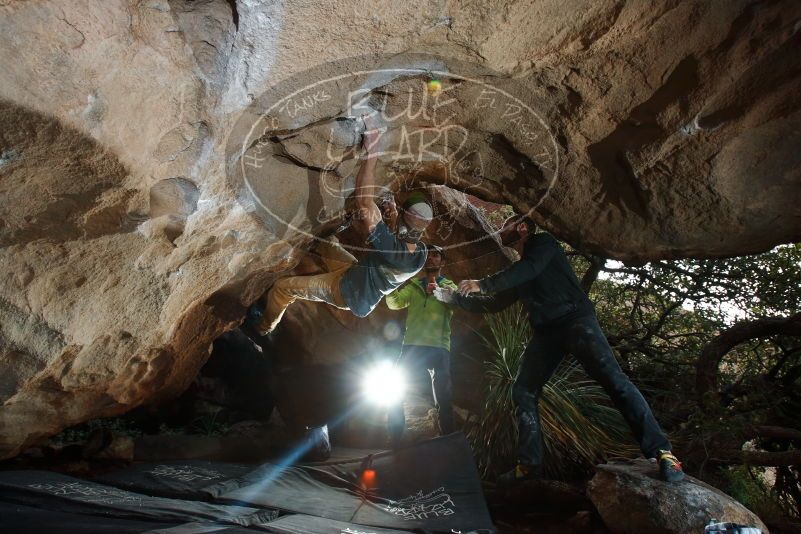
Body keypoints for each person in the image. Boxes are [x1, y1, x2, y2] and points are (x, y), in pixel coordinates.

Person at [437, 215, 684, 483]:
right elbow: (494, 304)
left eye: (505, 224)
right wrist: (454, 298)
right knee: (524, 391)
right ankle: (529, 467)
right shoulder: (522, 269)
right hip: (546, 334)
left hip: (575, 322)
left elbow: (529, 269)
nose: (499, 230)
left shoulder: (544, 244)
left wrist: (482, 283)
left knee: (615, 381)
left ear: (522, 227)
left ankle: (663, 452)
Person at [252, 115, 433, 335]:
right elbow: (401, 238)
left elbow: (364, 202)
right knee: (326, 242)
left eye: (401, 214)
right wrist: (394, 215)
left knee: (283, 288)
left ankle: (264, 327)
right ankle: (324, 242)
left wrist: (372, 151)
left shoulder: (397, 251)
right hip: (356, 272)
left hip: (347, 291)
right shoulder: (420, 252)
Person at [385, 245, 458, 447]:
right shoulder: (414, 285)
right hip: (412, 346)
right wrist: (388, 286)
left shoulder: (451, 286)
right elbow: (395, 303)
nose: (431, 259)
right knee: (395, 388)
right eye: (428, 255)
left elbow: (457, 303)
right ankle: (395, 436)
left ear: (443, 262)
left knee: (444, 395)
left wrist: (440, 292)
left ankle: (448, 440)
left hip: (439, 347)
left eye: (436, 255)